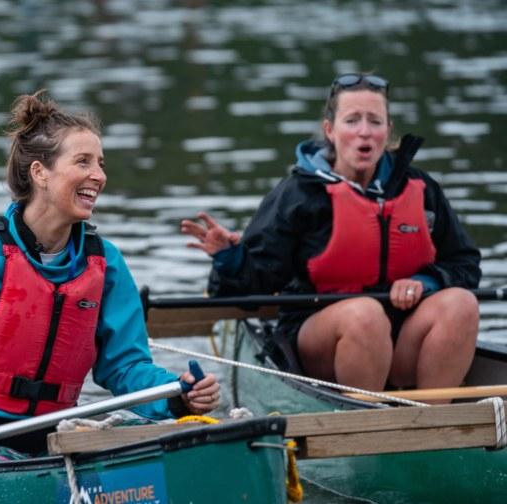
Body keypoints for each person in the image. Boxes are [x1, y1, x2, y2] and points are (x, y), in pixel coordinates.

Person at [0, 91, 220, 459]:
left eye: (100, 163)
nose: (99, 175)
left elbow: (126, 366)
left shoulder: (104, 262)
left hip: (56, 435)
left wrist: (177, 394)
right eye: (83, 162)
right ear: (39, 173)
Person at [181, 73, 481, 397]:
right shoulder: (299, 194)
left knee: (461, 304)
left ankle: (437, 420)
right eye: (352, 120)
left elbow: (465, 264)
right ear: (330, 130)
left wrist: (427, 282)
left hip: (402, 341)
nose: (364, 132)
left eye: (374, 121)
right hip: (321, 341)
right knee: (365, 315)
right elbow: (256, 284)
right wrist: (229, 257)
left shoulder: (421, 189)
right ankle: (366, 425)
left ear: (388, 131)